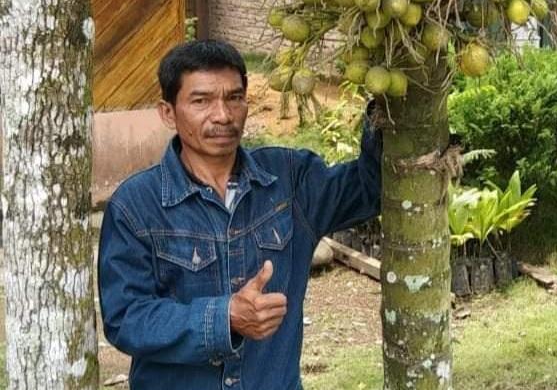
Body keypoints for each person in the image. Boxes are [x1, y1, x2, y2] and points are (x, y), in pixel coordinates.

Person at [98, 39, 382, 390]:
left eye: (234, 98)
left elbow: (370, 189)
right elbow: (126, 317)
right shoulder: (136, 205)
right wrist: (224, 317)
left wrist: (385, 108)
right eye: (201, 101)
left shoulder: (289, 180)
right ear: (168, 113)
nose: (223, 115)